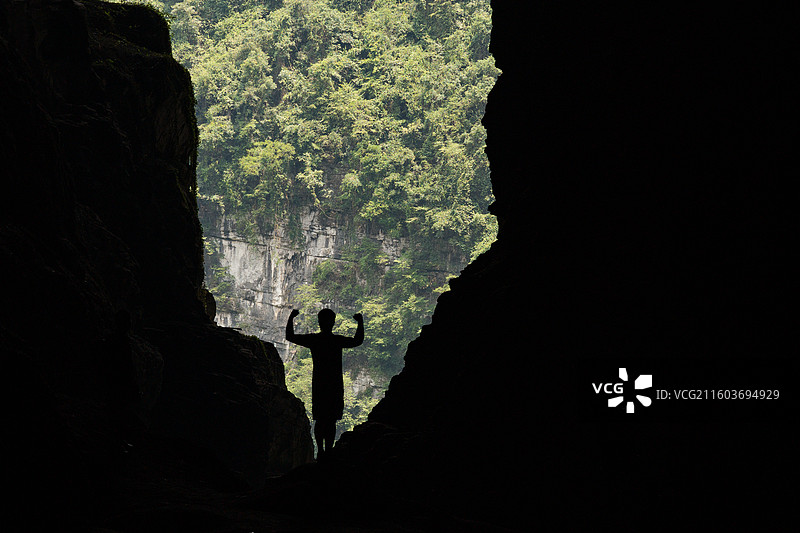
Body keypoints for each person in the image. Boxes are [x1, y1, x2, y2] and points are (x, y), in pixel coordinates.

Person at [286, 308, 364, 458]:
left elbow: (290, 336)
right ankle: (328, 449)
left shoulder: (314, 340)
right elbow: (357, 340)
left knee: (320, 418)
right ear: (333, 323)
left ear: (319, 322)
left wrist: (291, 317)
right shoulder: (337, 341)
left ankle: (321, 451)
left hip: (319, 384)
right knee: (331, 419)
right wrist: (360, 322)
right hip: (334, 384)